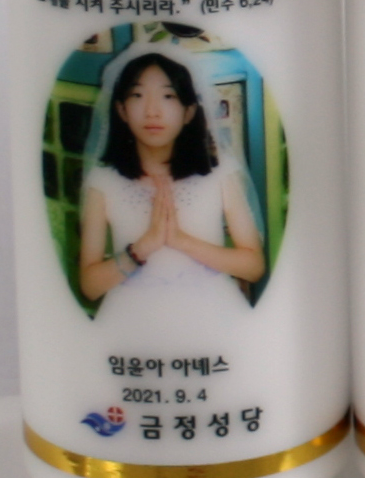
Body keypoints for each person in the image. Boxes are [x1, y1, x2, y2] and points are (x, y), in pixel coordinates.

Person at [72, 49, 265, 323]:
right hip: (132, 318)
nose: (152, 111)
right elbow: (90, 286)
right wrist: (141, 248)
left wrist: (181, 241)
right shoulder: (103, 181)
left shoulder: (219, 173)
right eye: (137, 95)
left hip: (211, 313)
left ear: (189, 112)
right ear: (121, 110)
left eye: (168, 96)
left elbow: (254, 267)